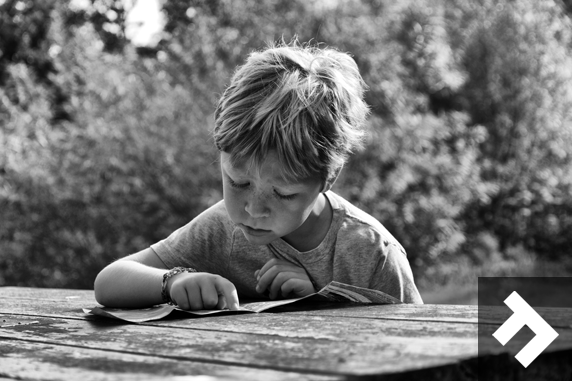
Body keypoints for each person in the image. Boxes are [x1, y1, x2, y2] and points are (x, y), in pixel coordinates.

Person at [94, 41, 423, 311]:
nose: (253, 210)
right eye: (238, 183)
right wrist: (173, 281)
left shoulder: (372, 254)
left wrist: (316, 304)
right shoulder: (220, 229)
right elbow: (109, 281)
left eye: (282, 194)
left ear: (328, 178)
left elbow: (416, 345)